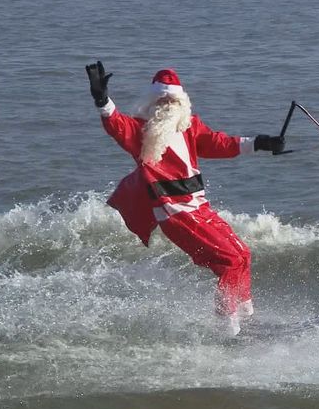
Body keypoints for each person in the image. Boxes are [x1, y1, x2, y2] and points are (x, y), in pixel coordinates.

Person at [85, 61, 285, 336]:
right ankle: (226, 325)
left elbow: (219, 143)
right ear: (152, 100)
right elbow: (117, 126)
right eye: (161, 97)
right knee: (229, 261)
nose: (167, 102)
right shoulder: (141, 130)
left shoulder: (190, 126)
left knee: (243, 255)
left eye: (172, 98)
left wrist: (261, 143)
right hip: (173, 213)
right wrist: (102, 100)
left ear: (181, 101)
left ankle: (246, 316)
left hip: (199, 207)